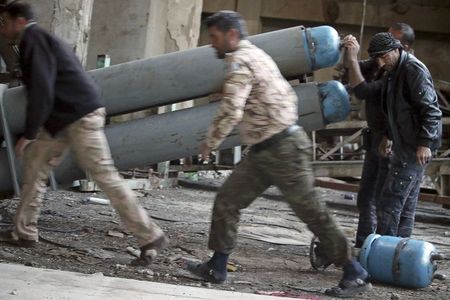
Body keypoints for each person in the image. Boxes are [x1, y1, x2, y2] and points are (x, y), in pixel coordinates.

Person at [185, 10, 371, 297]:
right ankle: (217, 266)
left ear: (231, 35)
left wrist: (210, 141)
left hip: (283, 148)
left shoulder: (241, 60)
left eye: (215, 37)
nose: (212, 44)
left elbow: (232, 108)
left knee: (312, 212)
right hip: (266, 148)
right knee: (228, 200)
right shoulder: (255, 54)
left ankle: (354, 272)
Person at [0, 1, 167, 266]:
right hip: (63, 119)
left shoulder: (33, 39)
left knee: (104, 176)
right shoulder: (39, 39)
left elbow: (41, 90)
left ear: (19, 21)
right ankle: (24, 231)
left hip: (79, 117)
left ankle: (150, 235)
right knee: (35, 166)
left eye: (4, 22)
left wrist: (29, 132)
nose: (3, 28)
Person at [344, 32, 441, 238]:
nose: (380, 62)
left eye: (383, 56)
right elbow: (392, 111)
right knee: (403, 208)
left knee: (389, 204)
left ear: (397, 49)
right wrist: (388, 135)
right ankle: (398, 258)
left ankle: (383, 259)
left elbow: (431, 109)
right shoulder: (393, 70)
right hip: (402, 144)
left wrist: (425, 143)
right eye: (376, 57)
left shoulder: (413, 70)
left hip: (412, 147)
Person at [353, 23, 416, 248]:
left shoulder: (406, 71)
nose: (384, 42)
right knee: (367, 197)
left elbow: (411, 111)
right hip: (377, 139)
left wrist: (390, 136)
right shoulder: (384, 64)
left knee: (390, 202)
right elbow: (359, 71)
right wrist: (348, 53)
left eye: (390, 40)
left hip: (393, 144)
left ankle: (387, 251)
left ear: (403, 47)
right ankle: (366, 246)